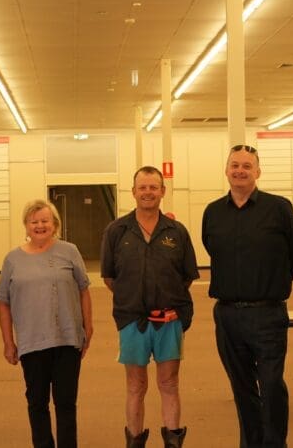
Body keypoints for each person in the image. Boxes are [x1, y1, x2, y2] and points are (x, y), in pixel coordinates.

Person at [202, 144, 293, 448]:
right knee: (242, 387)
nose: (240, 171)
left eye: (247, 166)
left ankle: (275, 444)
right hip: (227, 314)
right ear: (226, 170)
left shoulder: (279, 208)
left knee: (272, 385)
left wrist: (272, 283)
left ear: (257, 172)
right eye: (234, 165)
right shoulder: (213, 212)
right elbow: (211, 247)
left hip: (268, 314)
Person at [100, 166, 199, 448]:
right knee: (135, 386)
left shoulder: (177, 232)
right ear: (133, 192)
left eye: (153, 187)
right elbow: (109, 277)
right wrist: (134, 299)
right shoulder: (117, 231)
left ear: (162, 192)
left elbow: (187, 276)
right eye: (142, 187)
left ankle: (173, 441)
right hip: (132, 321)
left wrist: (165, 298)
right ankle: (135, 441)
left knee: (169, 384)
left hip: (169, 321)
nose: (148, 192)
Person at [0, 199, 93, 448]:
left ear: (55, 224)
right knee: (37, 403)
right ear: (26, 226)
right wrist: (9, 342)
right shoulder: (12, 260)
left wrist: (87, 327)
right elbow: (3, 302)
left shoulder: (69, 251)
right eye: (34, 221)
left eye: (45, 221)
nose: (40, 225)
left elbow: (84, 290)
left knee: (65, 404)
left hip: (67, 339)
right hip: (31, 343)